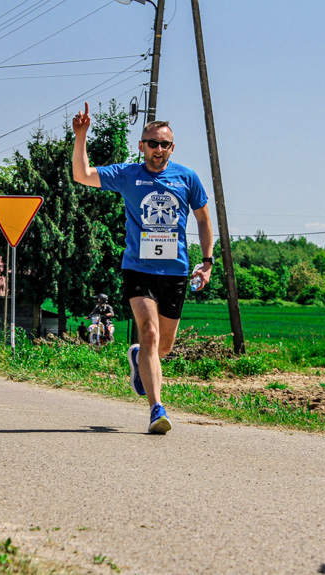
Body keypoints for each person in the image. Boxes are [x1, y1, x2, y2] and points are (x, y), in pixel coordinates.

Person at [72, 102, 214, 434]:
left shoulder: (186, 177)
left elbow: (204, 220)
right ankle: (156, 409)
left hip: (176, 272)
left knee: (162, 347)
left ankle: (137, 359)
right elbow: (82, 175)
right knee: (149, 334)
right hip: (138, 269)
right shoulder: (127, 174)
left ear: (172, 148)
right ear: (141, 146)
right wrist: (81, 137)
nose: (158, 149)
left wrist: (207, 263)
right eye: (152, 143)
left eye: (164, 144)